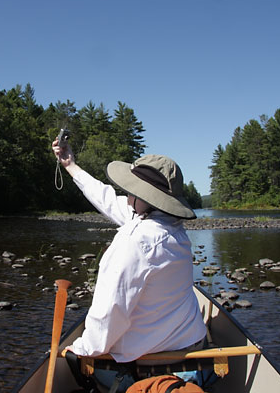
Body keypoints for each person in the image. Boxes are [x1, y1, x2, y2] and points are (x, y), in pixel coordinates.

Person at [52, 137, 207, 390]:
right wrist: (71, 166)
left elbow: (108, 313)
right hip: (194, 354)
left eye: (132, 191)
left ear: (148, 198)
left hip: (149, 368)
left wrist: (79, 350)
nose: (126, 195)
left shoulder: (135, 241)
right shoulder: (173, 227)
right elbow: (108, 200)